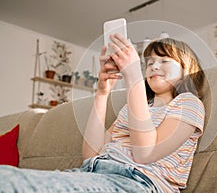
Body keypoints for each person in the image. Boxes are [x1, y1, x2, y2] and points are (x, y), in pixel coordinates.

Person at [0, 34, 205, 193]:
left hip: (138, 183)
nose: (153, 67)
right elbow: (91, 155)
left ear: (186, 67)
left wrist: (132, 76)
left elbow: (145, 154)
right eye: (149, 63)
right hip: (94, 173)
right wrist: (101, 93)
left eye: (164, 60)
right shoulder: (132, 109)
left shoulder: (188, 103)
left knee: (8, 181)